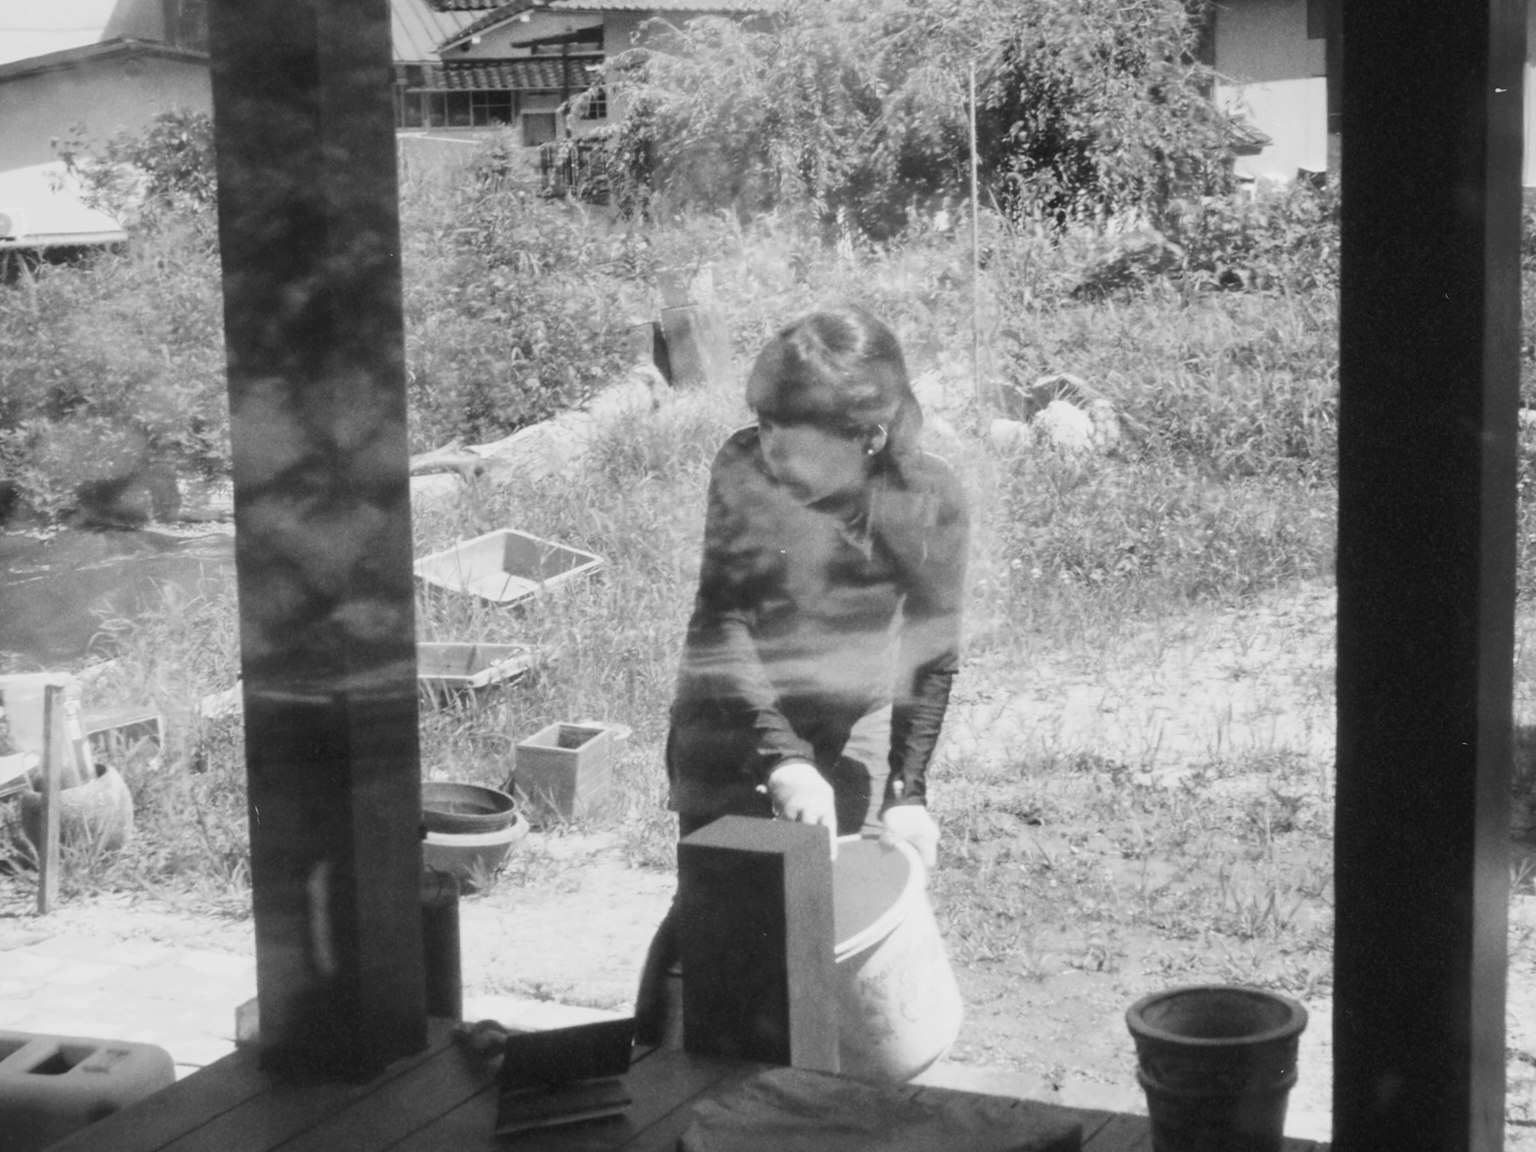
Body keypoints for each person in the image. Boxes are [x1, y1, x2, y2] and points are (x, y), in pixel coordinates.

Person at [634, 303, 968, 1043]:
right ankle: (658, 1061)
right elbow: (720, 620)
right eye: (764, 422)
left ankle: (821, 1081)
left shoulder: (928, 498)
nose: (770, 448)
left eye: (793, 433)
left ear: (869, 434)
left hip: (850, 718)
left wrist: (909, 792)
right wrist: (782, 759)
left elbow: (931, 650)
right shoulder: (744, 467)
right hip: (731, 708)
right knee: (724, 914)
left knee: (836, 915)